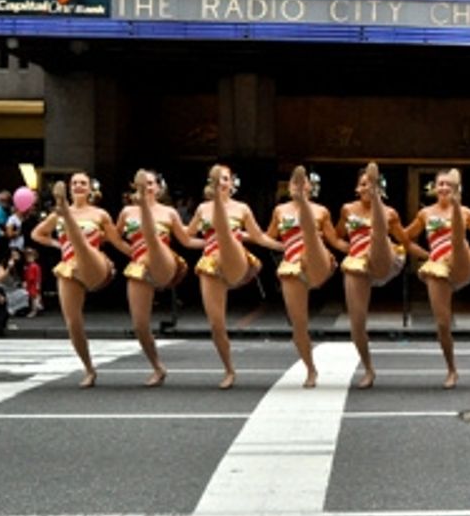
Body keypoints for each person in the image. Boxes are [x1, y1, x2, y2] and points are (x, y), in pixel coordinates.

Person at [404, 168, 470, 388]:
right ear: (434, 188)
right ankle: (451, 369)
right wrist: (424, 254)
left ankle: (456, 223)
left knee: (458, 243)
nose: (443, 188)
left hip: (461, 259)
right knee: (442, 324)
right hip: (437, 265)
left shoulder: (467, 213)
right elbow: (404, 237)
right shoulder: (425, 214)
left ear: (456, 189)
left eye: (448, 184)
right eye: (440, 184)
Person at [191, 164, 283, 389]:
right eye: (216, 179)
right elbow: (186, 236)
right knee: (216, 325)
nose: (221, 183)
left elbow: (259, 236)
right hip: (210, 263)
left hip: (235, 258)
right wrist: (205, 243)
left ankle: (227, 241)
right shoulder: (202, 209)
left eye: (225, 178)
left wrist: (282, 246)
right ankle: (229, 369)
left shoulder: (241, 208)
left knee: (228, 240)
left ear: (232, 183)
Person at [30, 173, 126, 387]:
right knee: (73, 323)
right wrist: (57, 245)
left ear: (91, 189)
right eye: (74, 183)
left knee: (83, 247)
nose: (79, 186)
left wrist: (136, 256)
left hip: (94, 264)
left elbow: (117, 241)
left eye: (83, 183)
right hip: (70, 266)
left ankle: (70, 221)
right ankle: (89, 369)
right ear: (70, 188)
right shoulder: (55, 216)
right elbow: (37, 234)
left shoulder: (100, 214)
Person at [114, 170, 201, 386]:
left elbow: (187, 241)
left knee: (153, 239)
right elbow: (114, 237)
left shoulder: (169, 212)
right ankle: (157, 366)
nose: (147, 187)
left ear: (159, 188)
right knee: (140, 325)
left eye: (151, 183)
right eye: (142, 184)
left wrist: (215, 243)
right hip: (140, 265)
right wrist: (131, 252)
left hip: (164, 262)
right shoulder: (127, 212)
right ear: (135, 187)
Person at [268, 166, 348, 388]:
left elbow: (335, 240)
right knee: (299, 326)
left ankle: (310, 239)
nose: (299, 186)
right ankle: (310, 368)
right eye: (295, 182)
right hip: (292, 266)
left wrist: (356, 251)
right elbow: (268, 238)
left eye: (303, 182)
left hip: (316, 260)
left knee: (312, 239)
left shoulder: (321, 211)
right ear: (289, 187)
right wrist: (241, 236)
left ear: (311, 187)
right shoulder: (280, 211)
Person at [336, 163, 409, 389]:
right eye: (364, 184)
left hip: (383, 257)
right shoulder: (347, 210)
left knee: (378, 235)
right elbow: (337, 236)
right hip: (357, 262)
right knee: (357, 325)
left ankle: (375, 240)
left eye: (372, 184)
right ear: (357, 189)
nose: (366, 188)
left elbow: (405, 240)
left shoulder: (390, 214)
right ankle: (368, 368)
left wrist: (428, 256)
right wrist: (347, 249)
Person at [22, 246, 42, 317]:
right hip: (29, 284)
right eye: (27, 257)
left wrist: (38, 284)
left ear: (35, 257)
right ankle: (36, 307)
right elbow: (26, 275)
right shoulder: (27, 266)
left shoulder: (35, 266)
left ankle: (35, 310)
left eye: (31, 256)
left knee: (34, 297)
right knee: (32, 297)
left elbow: (38, 276)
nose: (29, 258)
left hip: (34, 283)